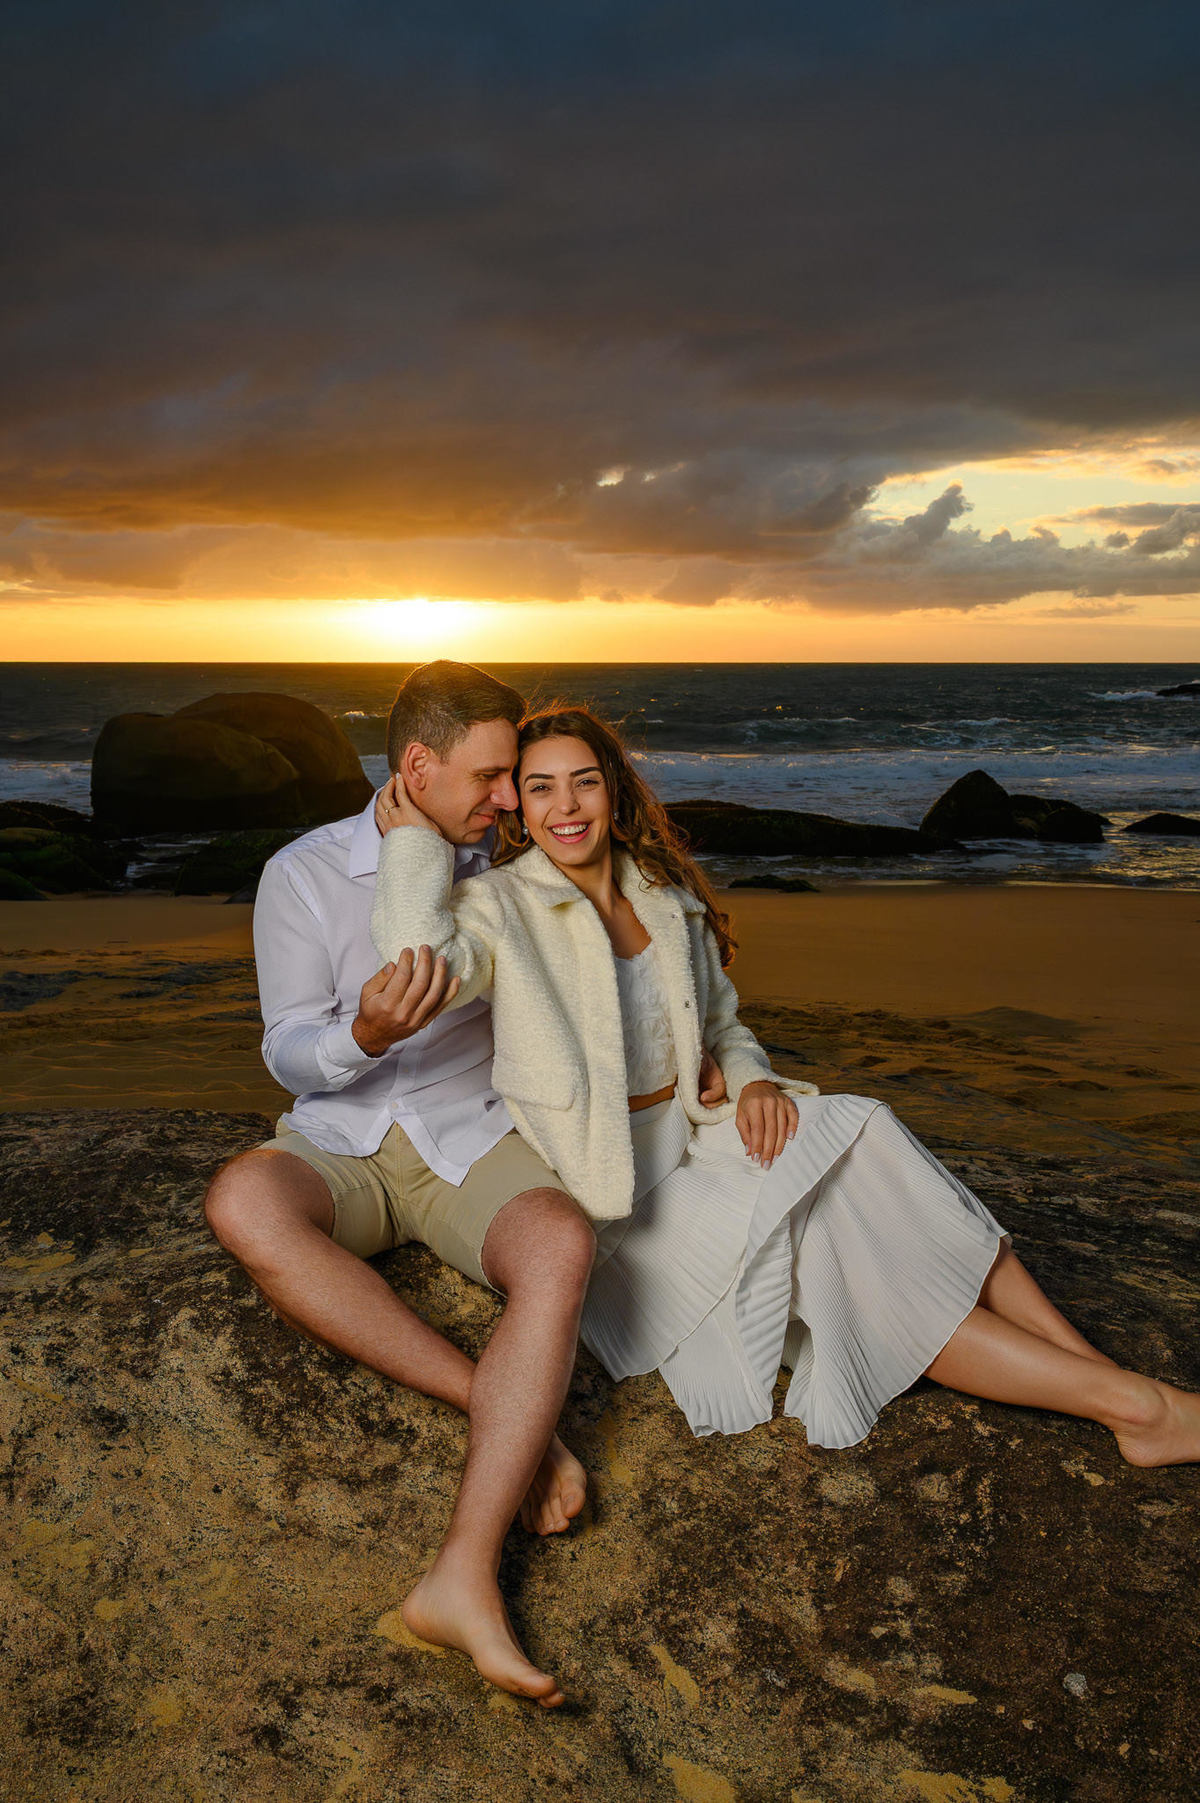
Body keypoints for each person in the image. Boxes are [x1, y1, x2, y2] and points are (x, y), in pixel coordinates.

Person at [372, 704, 1200, 1500]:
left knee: (865, 1127)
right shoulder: (502, 908)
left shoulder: (660, 891)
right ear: (519, 800)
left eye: (583, 781)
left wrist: (754, 1076)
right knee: (848, 1267)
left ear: (613, 789)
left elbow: (725, 1023)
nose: (566, 806)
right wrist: (412, 843)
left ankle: (1117, 1385)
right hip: (622, 1192)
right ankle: (1138, 1406)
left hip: (702, 1133)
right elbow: (422, 960)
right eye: (541, 785)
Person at [205, 664, 606, 1711]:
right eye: (492, 776)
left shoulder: (509, 867)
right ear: (417, 767)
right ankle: (505, 1411)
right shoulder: (300, 873)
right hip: (341, 1139)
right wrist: (363, 1034)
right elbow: (287, 1047)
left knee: (561, 1244)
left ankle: (459, 1575)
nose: (511, 799)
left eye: (516, 776)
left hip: (472, 1141)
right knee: (241, 1204)